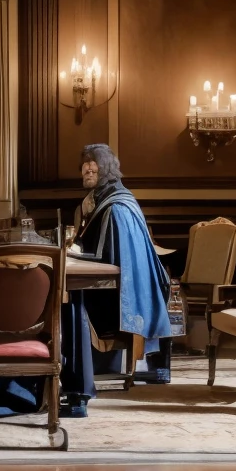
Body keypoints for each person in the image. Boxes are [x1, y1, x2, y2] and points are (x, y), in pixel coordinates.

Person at [61, 144, 178, 416]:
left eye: (95, 164)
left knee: (68, 301)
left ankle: (77, 391)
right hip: (109, 290)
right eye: (85, 165)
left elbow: (109, 260)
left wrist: (73, 252)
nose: (88, 169)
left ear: (108, 168)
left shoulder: (117, 207)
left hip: (118, 300)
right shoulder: (104, 199)